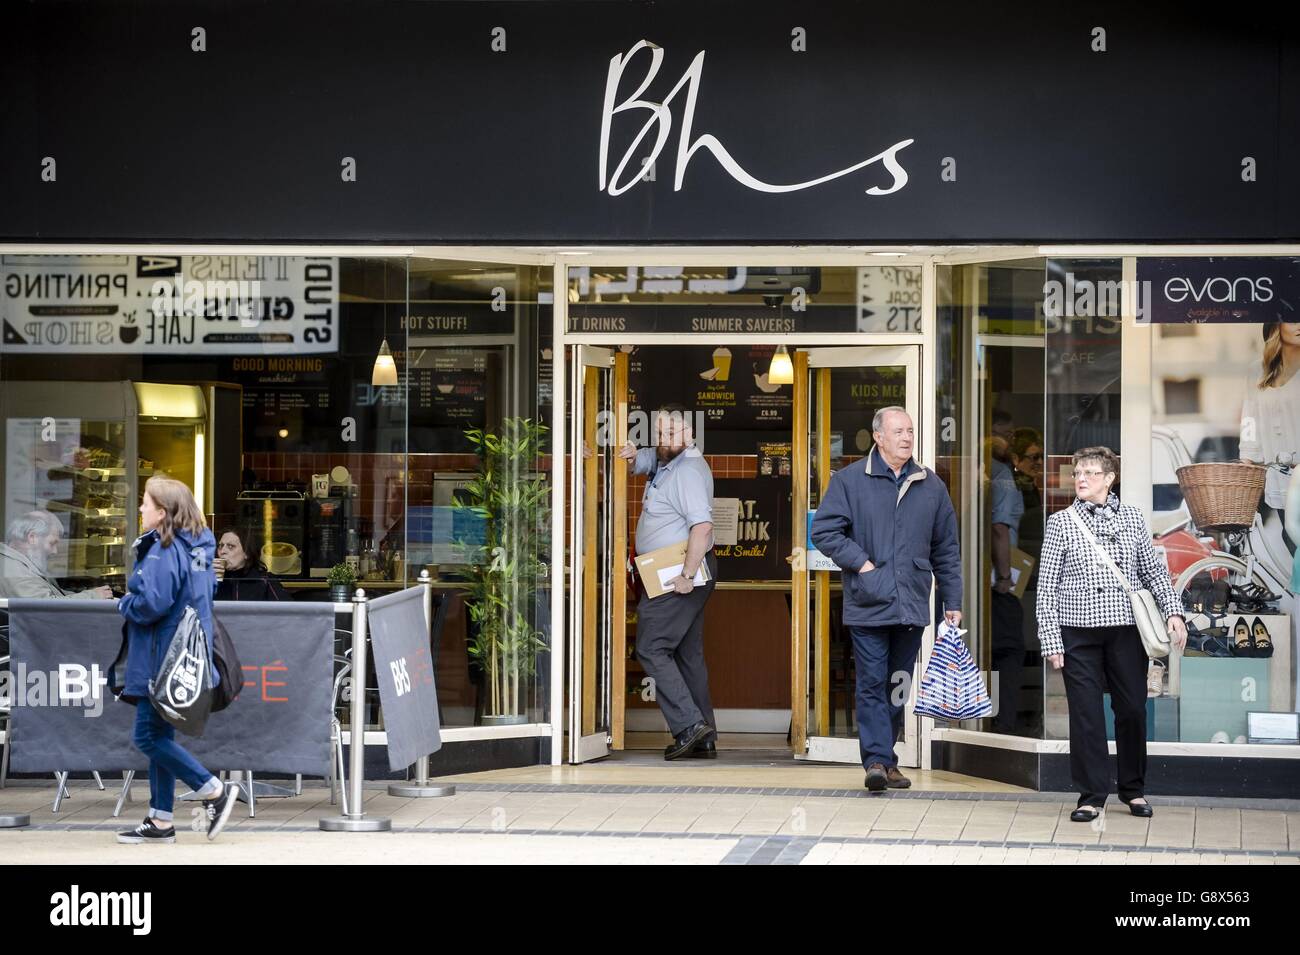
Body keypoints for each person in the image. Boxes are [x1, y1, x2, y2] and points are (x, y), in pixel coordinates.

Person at [810, 406, 962, 792]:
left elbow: (946, 548)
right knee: (872, 681)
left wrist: (952, 601)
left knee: (898, 683)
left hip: (911, 601)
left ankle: (887, 757)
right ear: (878, 436)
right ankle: (876, 760)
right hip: (868, 601)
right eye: (898, 431)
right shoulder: (849, 481)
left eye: (910, 430)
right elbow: (825, 530)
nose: (907, 437)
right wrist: (861, 564)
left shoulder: (931, 484)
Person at [1036, 447, 1188, 823]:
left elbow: (1153, 572)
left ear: (1109, 478)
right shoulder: (1061, 522)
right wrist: (1052, 641)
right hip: (1078, 633)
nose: (1081, 479)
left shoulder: (1134, 518)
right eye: (1077, 473)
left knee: (1133, 709)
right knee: (1087, 715)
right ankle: (1091, 795)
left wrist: (1173, 611)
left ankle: (1133, 789)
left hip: (1125, 631)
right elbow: (1046, 588)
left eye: (1089, 472)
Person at [116, 476, 238, 844]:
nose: (140, 509)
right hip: (185, 655)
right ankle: (161, 820)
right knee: (160, 733)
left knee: (147, 736)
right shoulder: (198, 546)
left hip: (159, 655)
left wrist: (125, 602)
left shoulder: (164, 551)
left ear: (163, 511)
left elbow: (152, 603)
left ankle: (213, 790)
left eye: (145, 503)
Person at [618, 403, 718, 760]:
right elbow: (642, 459)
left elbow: (702, 527)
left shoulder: (688, 470)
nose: (664, 439)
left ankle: (689, 726)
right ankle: (704, 736)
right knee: (687, 653)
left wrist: (687, 576)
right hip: (669, 571)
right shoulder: (666, 459)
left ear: (690, 435)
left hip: (677, 573)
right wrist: (630, 456)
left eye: (671, 433)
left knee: (650, 647)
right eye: (659, 432)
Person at [0, 511, 114, 599]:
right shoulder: (13, 569)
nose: (55, 551)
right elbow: (44, 607)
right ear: (32, 537)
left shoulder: (21, 563)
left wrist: (92, 594)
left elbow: (55, 596)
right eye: (52, 543)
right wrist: (93, 596)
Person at [215, 528, 290, 601]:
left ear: (246, 553)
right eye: (220, 546)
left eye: (230, 546)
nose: (222, 551)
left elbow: (289, 610)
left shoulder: (264, 580)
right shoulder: (213, 579)